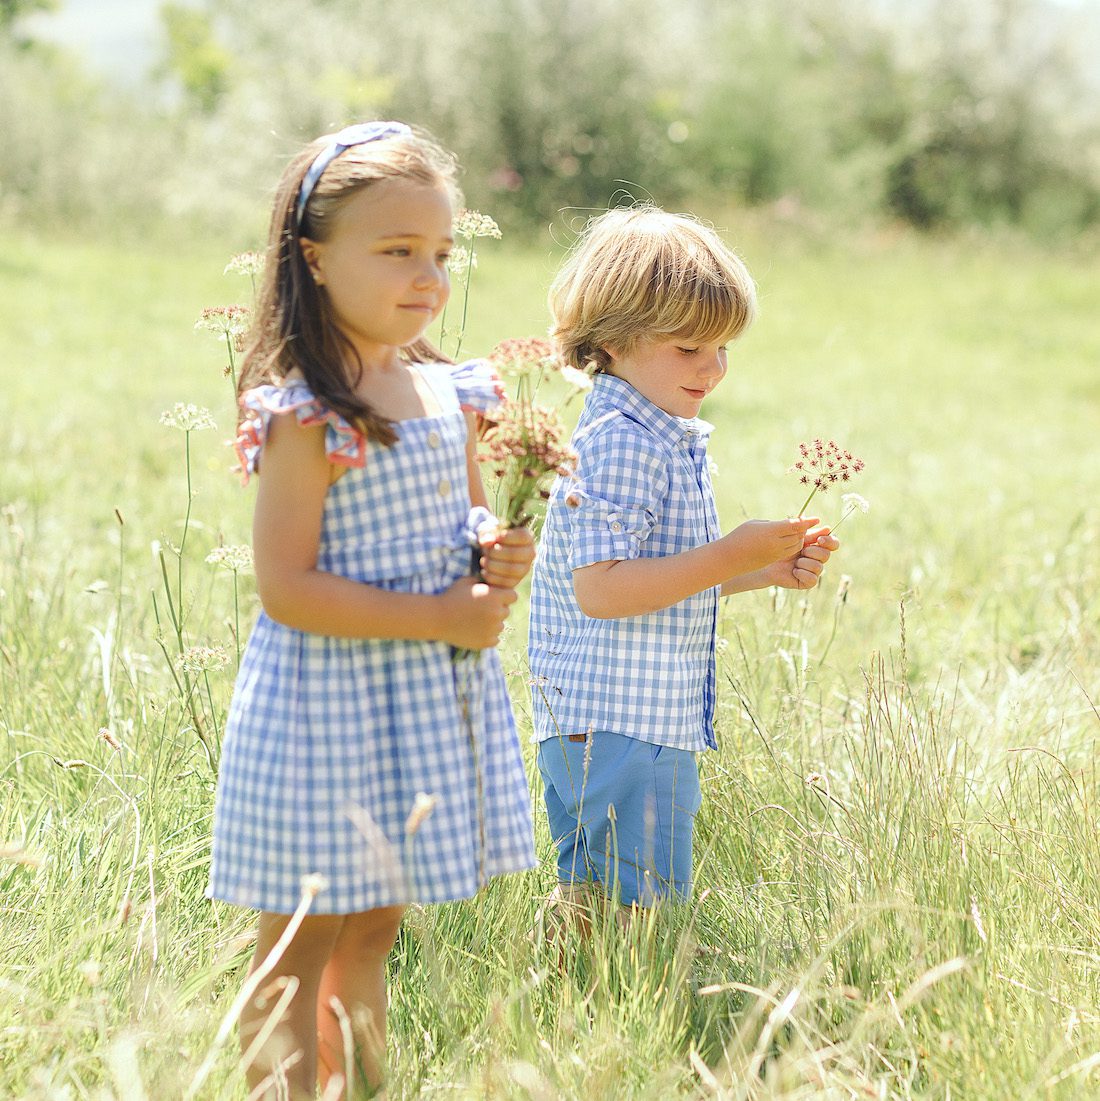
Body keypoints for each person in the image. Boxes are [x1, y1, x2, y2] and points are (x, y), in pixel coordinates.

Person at [206, 121, 536, 1099]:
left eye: (438, 253)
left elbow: (462, 511)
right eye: (395, 252)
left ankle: (361, 1087)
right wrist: (440, 615)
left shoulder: (447, 390)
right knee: (303, 932)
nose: (426, 275)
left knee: (377, 922)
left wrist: (494, 544)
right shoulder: (311, 409)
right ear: (312, 258)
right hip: (325, 705)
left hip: (419, 706)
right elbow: (286, 587)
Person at [528, 205, 839, 928]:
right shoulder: (621, 443)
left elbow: (658, 574)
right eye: (690, 347)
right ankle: (587, 1007)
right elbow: (602, 591)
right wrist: (733, 549)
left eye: (725, 346)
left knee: (629, 896)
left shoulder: (660, 432)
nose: (714, 367)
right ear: (613, 340)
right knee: (620, 902)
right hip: (609, 719)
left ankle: (590, 999)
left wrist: (759, 570)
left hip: (642, 715)